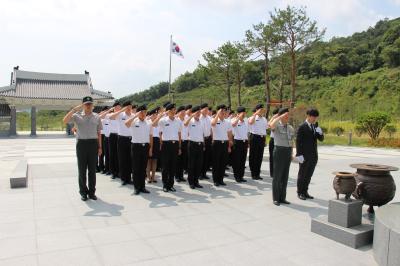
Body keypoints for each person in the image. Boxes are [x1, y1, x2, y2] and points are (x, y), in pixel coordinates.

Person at [63, 96, 102, 201]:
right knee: (82, 170)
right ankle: (83, 192)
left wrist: (100, 147)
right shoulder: (77, 115)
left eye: (90, 104)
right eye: (86, 104)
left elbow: (99, 133)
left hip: (93, 144)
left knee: (92, 170)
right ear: (83, 105)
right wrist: (74, 109)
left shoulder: (97, 116)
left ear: (92, 105)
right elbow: (65, 120)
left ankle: (92, 192)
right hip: (81, 144)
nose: (88, 106)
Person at [153, 103, 182, 192]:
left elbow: (179, 134)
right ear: (168, 111)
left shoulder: (178, 121)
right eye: (173, 110)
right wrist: (160, 115)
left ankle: (171, 185)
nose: (174, 111)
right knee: (165, 166)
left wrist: (179, 147)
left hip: (175, 145)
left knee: (173, 166)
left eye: (175, 110)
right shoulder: (163, 120)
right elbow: (154, 125)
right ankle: (165, 185)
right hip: (166, 145)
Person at [296, 108, 324, 200]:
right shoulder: (302, 126)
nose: (315, 119)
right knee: (302, 174)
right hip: (304, 155)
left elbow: (321, 139)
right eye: (313, 117)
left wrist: (320, 133)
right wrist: (299, 154)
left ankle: (305, 191)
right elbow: (298, 142)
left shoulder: (315, 126)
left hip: (313, 156)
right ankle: (300, 192)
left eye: (316, 117)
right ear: (308, 116)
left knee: (309, 175)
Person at [269, 108, 295, 206]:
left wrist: (292, 153)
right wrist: (279, 116)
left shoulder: (290, 128)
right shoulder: (277, 126)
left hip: (287, 152)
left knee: (285, 176)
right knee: (277, 176)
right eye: (285, 116)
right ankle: (276, 198)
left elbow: (291, 142)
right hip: (279, 151)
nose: (287, 118)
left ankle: (282, 197)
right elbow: (271, 125)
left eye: (288, 116)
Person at [125, 105, 153, 195]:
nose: (144, 114)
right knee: (136, 168)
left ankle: (142, 187)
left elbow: (150, 136)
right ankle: (136, 188)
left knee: (143, 168)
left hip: (145, 147)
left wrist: (150, 148)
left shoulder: (148, 122)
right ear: (138, 113)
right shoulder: (134, 121)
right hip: (136, 146)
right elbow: (126, 124)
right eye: (142, 112)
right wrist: (135, 115)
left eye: (145, 112)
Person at [109, 101, 135, 185]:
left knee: (130, 160)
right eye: (128, 106)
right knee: (122, 159)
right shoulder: (120, 115)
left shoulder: (133, 116)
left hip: (131, 139)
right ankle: (123, 178)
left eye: (130, 106)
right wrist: (121, 110)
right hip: (122, 139)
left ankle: (129, 178)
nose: (129, 108)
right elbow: (111, 117)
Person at [211, 104, 233, 187]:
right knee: (216, 163)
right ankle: (215, 180)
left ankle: (221, 180)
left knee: (223, 163)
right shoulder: (214, 119)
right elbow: (213, 124)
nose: (224, 112)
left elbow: (229, 133)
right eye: (222, 111)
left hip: (225, 143)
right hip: (217, 143)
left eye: (225, 111)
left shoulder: (227, 122)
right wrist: (217, 114)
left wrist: (229, 145)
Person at [184, 105, 205, 189]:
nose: (199, 114)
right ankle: (191, 182)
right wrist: (191, 116)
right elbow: (185, 124)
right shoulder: (190, 121)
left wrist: (203, 144)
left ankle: (196, 181)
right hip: (192, 144)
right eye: (198, 112)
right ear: (194, 112)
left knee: (198, 164)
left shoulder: (201, 121)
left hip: (200, 144)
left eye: (200, 112)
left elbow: (202, 134)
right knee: (191, 164)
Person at [248, 104, 268, 180]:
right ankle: (253, 173)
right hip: (254, 137)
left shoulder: (264, 119)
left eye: (262, 110)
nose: (262, 111)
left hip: (261, 138)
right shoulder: (253, 117)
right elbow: (250, 122)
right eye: (260, 110)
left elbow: (264, 130)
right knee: (254, 156)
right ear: (257, 110)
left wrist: (265, 140)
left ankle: (257, 173)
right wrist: (256, 113)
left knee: (259, 156)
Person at [231, 106, 249, 183]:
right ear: (238, 113)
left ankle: (241, 176)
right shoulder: (234, 120)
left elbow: (247, 132)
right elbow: (233, 125)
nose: (244, 114)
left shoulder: (246, 120)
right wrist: (238, 117)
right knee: (237, 160)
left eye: (244, 113)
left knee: (243, 160)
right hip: (237, 142)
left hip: (244, 142)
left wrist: (248, 142)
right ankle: (237, 176)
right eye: (243, 113)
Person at [146, 107, 160, 183]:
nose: (155, 116)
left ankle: (153, 176)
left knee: (154, 160)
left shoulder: (159, 123)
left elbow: (160, 134)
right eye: (154, 114)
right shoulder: (148, 122)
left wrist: (161, 143)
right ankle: (148, 176)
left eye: (156, 114)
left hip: (156, 140)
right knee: (148, 160)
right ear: (150, 115)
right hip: (149, 140)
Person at [107, 102, 121, 179]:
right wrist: (111, 110)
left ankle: (119, 171)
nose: (119, 108)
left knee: (119, 154)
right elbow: (111, 117)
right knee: (112, 154)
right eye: (117, 107)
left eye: (120, 107)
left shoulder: (122, 115)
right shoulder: (110, 115)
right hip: (112, 136)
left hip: (119, 136)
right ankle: (113, 172)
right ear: (114, 108)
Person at [175, 105, 188, 182]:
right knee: (178, 160)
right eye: (182, 112)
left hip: (185, 141)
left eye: (184, 112)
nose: (183, 113)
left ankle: (181, 176)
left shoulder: (186, 120)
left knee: (183, 159)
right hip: (179, 142)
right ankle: (177, 176)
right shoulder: (176, 121)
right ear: (178, 112)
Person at [200, 103, 212, 180]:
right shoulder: (199, 118)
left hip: (208, 138)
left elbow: (211, 129)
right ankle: (200, 173)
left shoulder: (209, 118)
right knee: (201, 158)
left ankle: (204, 173)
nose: (207, 110)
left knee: (206, 157)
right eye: (205, 109)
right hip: (201, 139)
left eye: (207, 109)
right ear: (201, 109)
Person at [268, 108, 280, 178]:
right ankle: (272, 173)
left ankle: (277, 171)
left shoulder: (281, 121)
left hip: (279, 141)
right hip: (273, 140)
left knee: (278, 158)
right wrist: (274, 117)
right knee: (272, 158)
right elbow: (269, 125)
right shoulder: (273, 121)